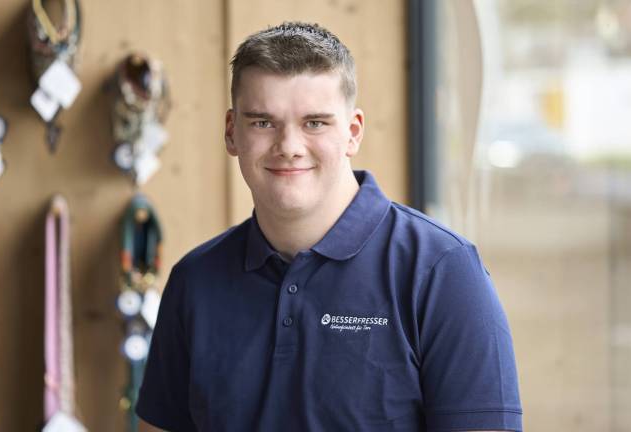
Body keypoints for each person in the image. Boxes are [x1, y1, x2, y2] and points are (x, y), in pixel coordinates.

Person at [137, 22, 522, 432]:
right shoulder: (194, 281)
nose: (289, 146)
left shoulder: (442, 271)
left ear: (352, 133)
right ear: (232, 133)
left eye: (314, 123)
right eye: (263, 122)